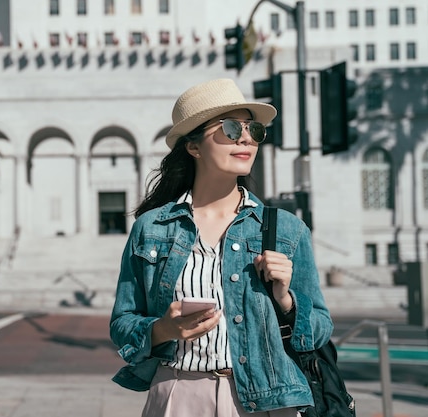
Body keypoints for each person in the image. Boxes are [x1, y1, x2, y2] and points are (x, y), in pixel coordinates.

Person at [109, 78, 333, 417]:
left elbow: (317, 330)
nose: (245, 138)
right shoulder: (152, 228)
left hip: (267, 402)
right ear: (194, 146)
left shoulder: (286, 230)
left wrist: (286, 300)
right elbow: (122, 322)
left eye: (253, 130)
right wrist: (163, 330)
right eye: (230, 128)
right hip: (178, 394)